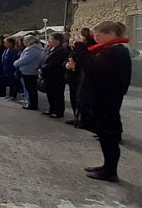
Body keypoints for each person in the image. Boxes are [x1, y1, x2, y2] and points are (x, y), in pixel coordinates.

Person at [69, 21, 132, 182]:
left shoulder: (115, 52)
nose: (95, 38)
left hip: (105, 101)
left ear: (110, 34)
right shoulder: (112, 50)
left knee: (108, 137)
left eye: (98, 35)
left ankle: (110, 171)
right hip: (105, 99)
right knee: (105, 137)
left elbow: (93, 70)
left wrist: (80, 50)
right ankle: (107, 166)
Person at [40, 32, 69, 118]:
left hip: (57, 76)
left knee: (57, 94)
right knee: (50, 93)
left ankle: (58, 112)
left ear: (57, 41)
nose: (49, 41)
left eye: (51, 39)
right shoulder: (50, 49)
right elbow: (44, 59)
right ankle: (51, 109)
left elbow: (55, 63)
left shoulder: (61, 51)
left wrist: (43, 68)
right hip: (48, 76)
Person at [14, 35, 45, 110]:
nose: (23, 43)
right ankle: (31, 103)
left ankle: (33, 104)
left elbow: (26, 59)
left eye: (24, 41)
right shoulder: (36, 48)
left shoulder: (32, 49)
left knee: (31, 89)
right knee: (30, 89)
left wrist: (16, 63)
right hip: (30, 70)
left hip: (29, 71)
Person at [2, 37, 20, 101]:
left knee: (13, 83)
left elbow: (14, 60)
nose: (4, 44)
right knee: (9, 83)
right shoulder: (6, 50)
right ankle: (9, 95)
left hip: (11, 70)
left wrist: (9, 66)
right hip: (6, 69)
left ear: (10, 43)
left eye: (6, 42)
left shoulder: (14, 50)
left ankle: (13, 96)